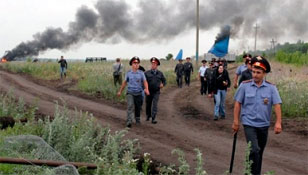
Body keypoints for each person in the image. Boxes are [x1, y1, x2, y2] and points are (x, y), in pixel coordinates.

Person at [232, 56, 282, 175]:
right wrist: (236, 121)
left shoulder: (271, 88)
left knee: (259, 153)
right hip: (249, 123)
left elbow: (277, 105)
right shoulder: (244, 85)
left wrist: (278, 122)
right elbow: (238, 103)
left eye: (258, 72)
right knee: (254, 149)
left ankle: (250, 172)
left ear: (264, 73)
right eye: (253, 72)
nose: (254, 75)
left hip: (264, 125)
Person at [117, 56, 150, 128]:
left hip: (138, 93)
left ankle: (137, 119)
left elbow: (145, 82)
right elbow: (124, 83)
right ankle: (129, 121)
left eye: (138, 63)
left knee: (138, 107)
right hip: (130, 92)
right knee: (130, 106)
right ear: (132, 64)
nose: (136, 64)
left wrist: (147, 89)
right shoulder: (128, 73)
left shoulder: (141, 73)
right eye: (135, 63)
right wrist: (120, 91)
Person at [144, 57, 166, 124]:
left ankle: (153, 118)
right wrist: (145, 89)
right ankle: (148, 115)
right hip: (148, 91)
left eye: (154, 64)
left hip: (156, 91)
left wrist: (163, 84)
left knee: (155, 104)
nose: (153, 65)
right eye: (152, 64)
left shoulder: (160, 73)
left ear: (157, 65)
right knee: (148, 104)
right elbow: (143, 82)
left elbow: (164, 81)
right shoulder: (146, 73)